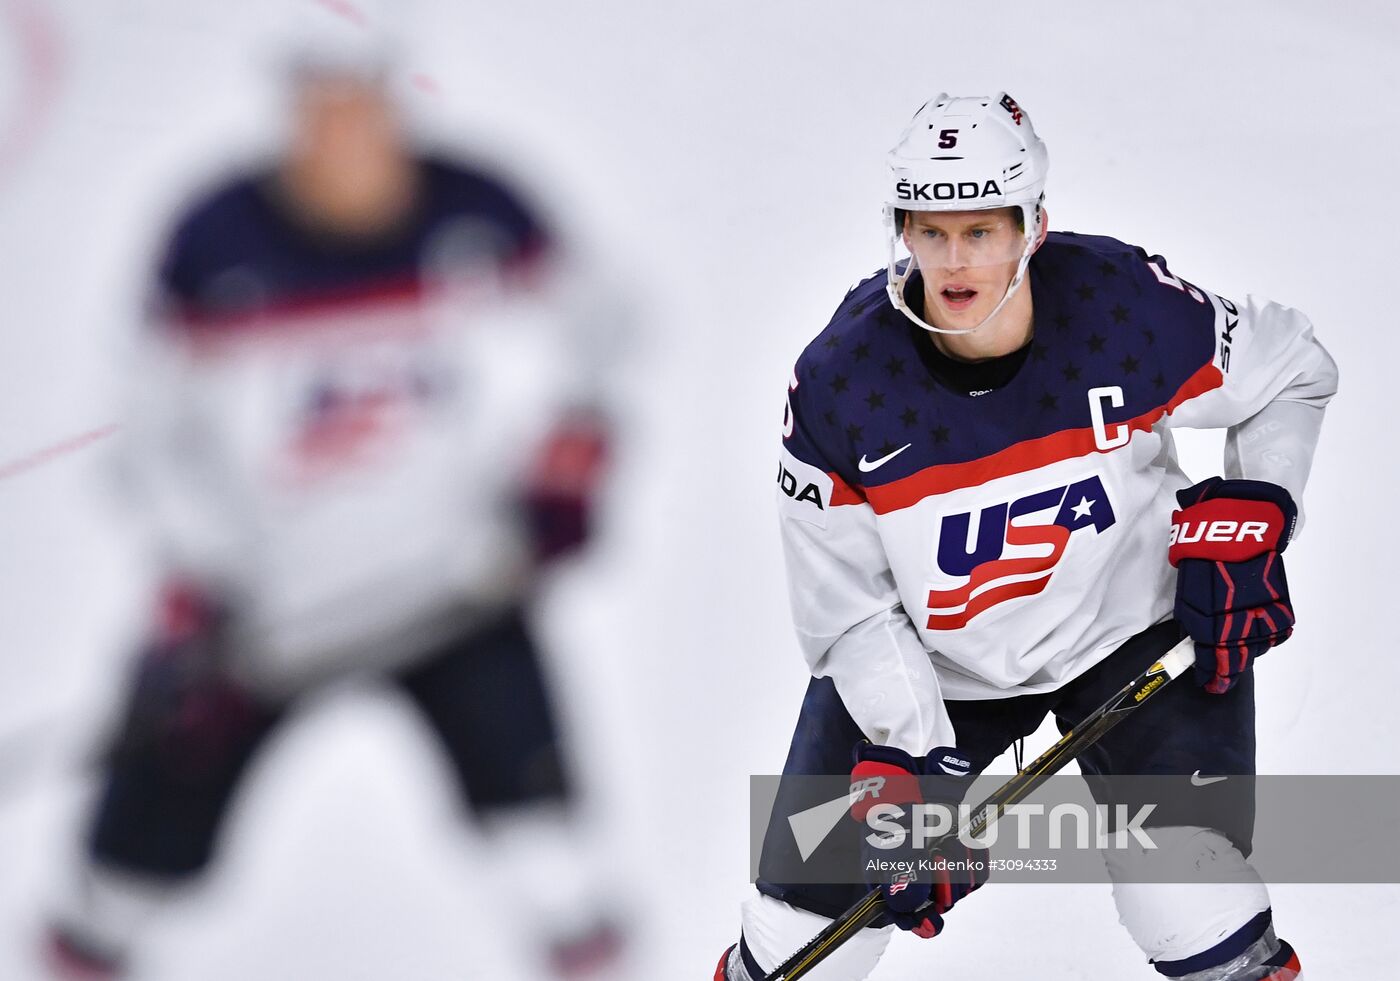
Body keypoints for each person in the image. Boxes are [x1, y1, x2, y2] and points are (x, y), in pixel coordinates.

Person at [716, 93, 1336, 980]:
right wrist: (911, 758)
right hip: (933, 665)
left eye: (982, 229)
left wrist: (1259, 509)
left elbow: (1291, 370)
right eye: (931, 231)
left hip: (1132, 631)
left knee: (1191, 897)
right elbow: (848, 609)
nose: (955, 260)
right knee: (800, 948)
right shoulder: (839, 386)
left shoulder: (1124, 311)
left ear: (1033, 224)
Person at [44, 39, 627, 981]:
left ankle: (589, 950)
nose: (339, 129)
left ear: (395, 102)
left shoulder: (485, 209)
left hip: (454, 585)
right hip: (268, 614)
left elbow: (603, 332)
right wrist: (201, 584)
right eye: (317, 104)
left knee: (542, 820)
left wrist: (569, 458)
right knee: (135, 839)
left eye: (359, 102)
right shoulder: (212, 238)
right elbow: (152, 440)